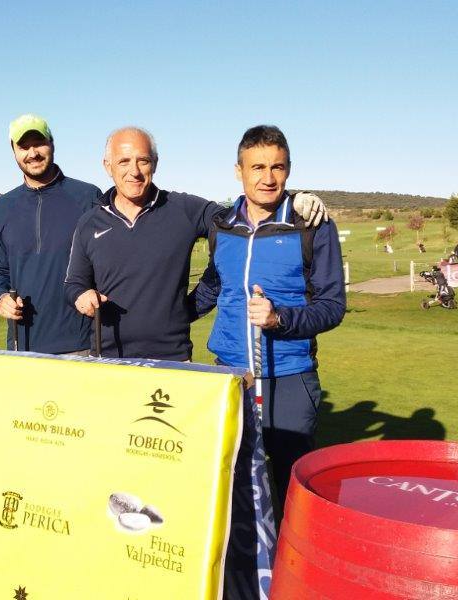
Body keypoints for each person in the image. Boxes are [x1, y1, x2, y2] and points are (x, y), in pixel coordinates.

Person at [189, 125, 346, 598]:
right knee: (233, 485)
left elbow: (332, 306)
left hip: (289, 377)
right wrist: (156, 311)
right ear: (239, 171)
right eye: (257, 167)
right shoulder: (222, 226)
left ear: (289, 170)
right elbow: (213, 289)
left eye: (277, 166)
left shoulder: (309, 225)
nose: (267, 177)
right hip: (229, 375)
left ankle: (298, 581)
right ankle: (238, 582)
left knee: (292, 488)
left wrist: (280, 319)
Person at [64, 127, 329, 360]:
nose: (134, 171)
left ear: (154, 164)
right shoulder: (90, 222)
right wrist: (80, 295)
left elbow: (241, 218)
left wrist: (291, 201)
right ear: (107, 166)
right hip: (110, 357)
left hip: (173, 358)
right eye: (123, 161)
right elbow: (73, 282)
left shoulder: (182, 209)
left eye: (142, 160)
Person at [0, 114, 102, 354]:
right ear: (14, 151)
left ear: (52, 143)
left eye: (39, 143)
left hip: (82, 344)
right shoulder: (4, 206)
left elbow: (107, 264)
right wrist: (1, 298)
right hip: (24, 345)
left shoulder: (88, 196)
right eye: (23, 146)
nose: (32, 153)